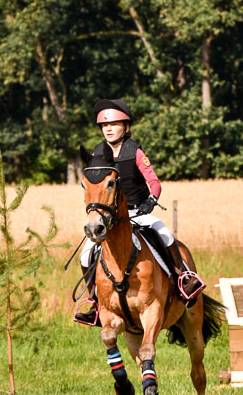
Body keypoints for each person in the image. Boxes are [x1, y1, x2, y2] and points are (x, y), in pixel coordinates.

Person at [75, 98, 205, 324]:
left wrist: (151, 201)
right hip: (109, 218)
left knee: (163, 234)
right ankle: (94, 301)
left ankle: (183, 279)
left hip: (138, 211)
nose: (109, 129)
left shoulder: (134, 151)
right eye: (105, 126)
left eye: (114, 125)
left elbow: (154, 182)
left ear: (126, 127)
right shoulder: (98, 152)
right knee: (85, 253)